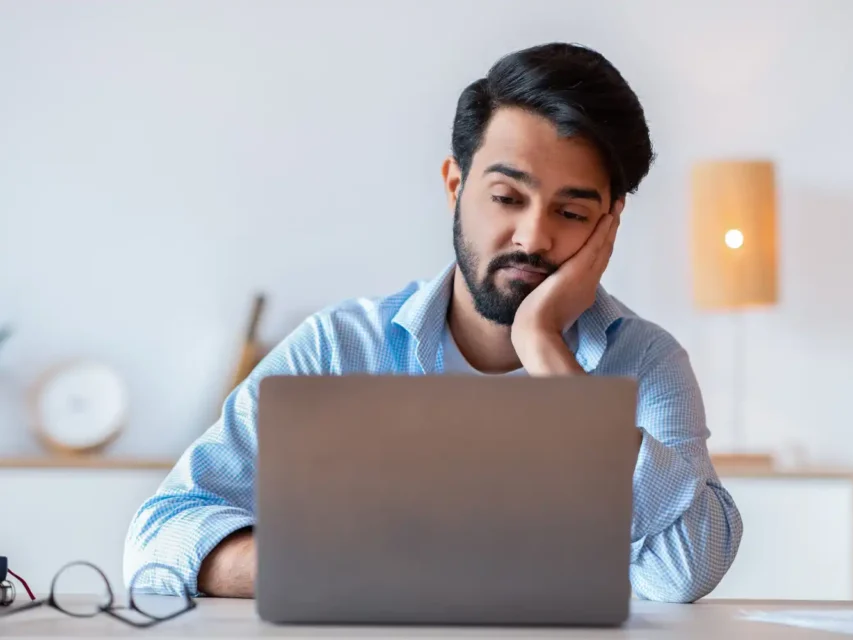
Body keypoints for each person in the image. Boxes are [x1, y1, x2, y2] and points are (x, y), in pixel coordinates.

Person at [123, 42, 742, 604]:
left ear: (610, 224)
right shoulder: (340, 348)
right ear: (455, 185)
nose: (533, 236)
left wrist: (550, 357)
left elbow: (682, 571)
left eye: (572, 212)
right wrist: (336, 567)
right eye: (507, 198)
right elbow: (158, 538)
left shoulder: (646, 361)